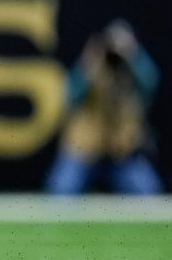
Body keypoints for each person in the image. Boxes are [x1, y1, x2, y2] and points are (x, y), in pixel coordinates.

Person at [46, 20, 163, 195]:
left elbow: (151, 82)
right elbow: (71, 96)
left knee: (148, 191)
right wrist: (89, 63)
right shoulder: (92, 65)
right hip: (84, 151)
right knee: (61, 189)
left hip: (121, 154)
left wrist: (132, 54)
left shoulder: (134, 69)